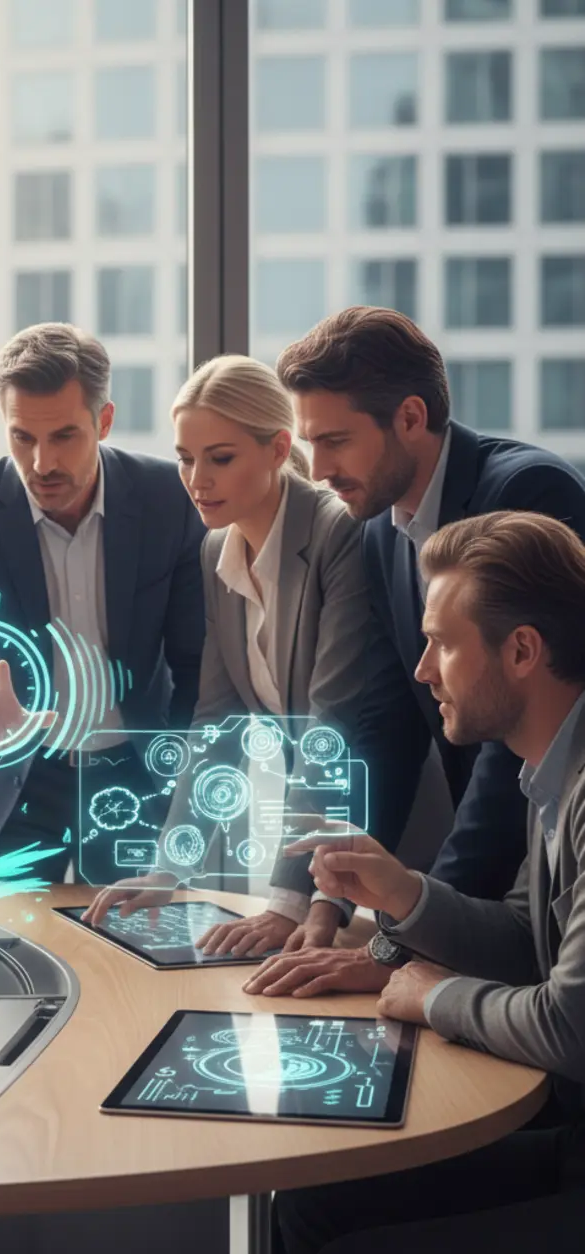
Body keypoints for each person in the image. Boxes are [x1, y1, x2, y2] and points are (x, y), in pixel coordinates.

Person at [245, 305, 585, 1000]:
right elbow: (381, 727)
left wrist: (394, 950)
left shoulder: (524, 492)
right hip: (498, 898)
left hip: (545, 864)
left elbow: (519, 732)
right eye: (309, 442)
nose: (318, 469)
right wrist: (322, 896)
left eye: (335, 441)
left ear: (408, 417)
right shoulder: (376, 529)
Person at [273, 511, 585, 1254]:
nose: (421, 669)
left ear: (521, 651)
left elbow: (570, 1026)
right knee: (309, 1199)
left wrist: (433, 995)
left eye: (442, 642)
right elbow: (521, 940)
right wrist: (404, 894)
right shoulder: (548, 772)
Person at [83, 356, 372, 953]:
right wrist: (171, 870)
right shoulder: (217, 550)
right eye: (186, 458)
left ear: (276, 449)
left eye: (220, 458)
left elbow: (332, 724)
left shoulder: (333, 532)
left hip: (380, 822)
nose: (196, 479)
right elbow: (216, 724)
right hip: (322, 847)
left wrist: (288, 903)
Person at [0, 322, 205, 881]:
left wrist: (173, 779)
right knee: (9, 961)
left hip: (135, 774)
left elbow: (195, 666)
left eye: (64, 437)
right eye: (22, 437)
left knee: (135, 958)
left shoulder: (169, 499)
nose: (42, 463)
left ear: (104, 421)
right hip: (12, 786)